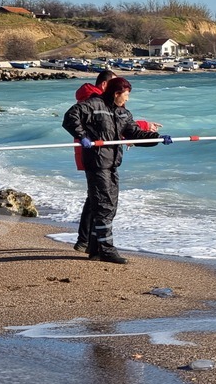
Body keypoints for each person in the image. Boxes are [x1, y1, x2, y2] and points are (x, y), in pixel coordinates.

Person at [63, 77, 171, 264]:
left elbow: (136, 134)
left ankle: (95, 248)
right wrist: (82, 136)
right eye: (126, 95)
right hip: (97, 162)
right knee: (104, 205)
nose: (127, 99)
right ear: (116, 93)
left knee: (109, 206)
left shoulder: (123, 113)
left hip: (112, 163)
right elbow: (70, 117)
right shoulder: (93, 105)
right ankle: (106, 249)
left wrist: (157, 138)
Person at [71, 70, 116, 252]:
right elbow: (106, 125)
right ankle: (86, 241)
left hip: (97, 153)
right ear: (104, 85)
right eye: (114, 84)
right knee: (96, 198)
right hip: (94, 154)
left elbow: (111, 126)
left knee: (94, 197)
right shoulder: (94, 102)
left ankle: (86, 240)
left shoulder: (95, 100)